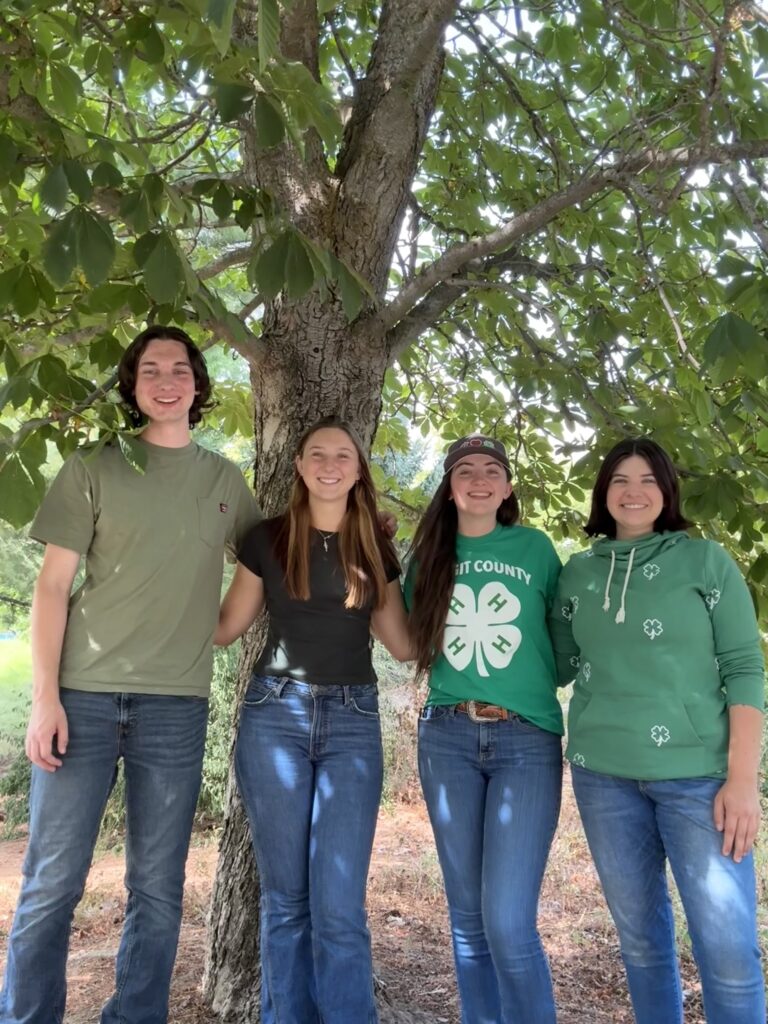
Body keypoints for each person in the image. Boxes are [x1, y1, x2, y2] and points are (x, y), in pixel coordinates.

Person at [0, 326, 259, 1024]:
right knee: (52, 884)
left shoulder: (224, 480)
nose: (167, 380)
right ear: (133, 384)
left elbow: (262, 562)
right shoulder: (95, 465)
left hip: (175, 707)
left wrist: (219, 628)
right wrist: (44, 700)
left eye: (181, 369)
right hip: (80, 700)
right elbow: (52, 588)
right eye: (152, 370)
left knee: (156, 888)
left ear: (199, 386)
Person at [551, 437, 765, 1024]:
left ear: (667, 491)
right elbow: (556, 663)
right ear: (604, 494)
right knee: (642, 944)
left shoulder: (705, 561)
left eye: (648, 479)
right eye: (620, 479)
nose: (633, 491)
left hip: (700, 780)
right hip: (603, 777)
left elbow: (745, 668)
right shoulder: (578, 573)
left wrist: (743, 782)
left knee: (726, 951)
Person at [214, 415, 410, 1024]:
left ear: (358, 470)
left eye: (343, 456)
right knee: (286, 902)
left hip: (352, 720)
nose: (329, 465)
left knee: (339, 906)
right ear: (298, 466)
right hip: (275, 716)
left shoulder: (375, 545)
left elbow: (403, 644)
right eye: (317, 454)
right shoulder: (267, 538)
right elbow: (224, 629)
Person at [405, 434, 564, 1024]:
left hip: (526, 740)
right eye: (464, 470)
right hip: (446, 737)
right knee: (467, 920)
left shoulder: (536, 550)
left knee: (507, 921)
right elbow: (405, 640)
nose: (478, 479)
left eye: (492, 470)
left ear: (508, 486)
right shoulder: (427, 558)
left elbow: (564, 642)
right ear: (449, 488)